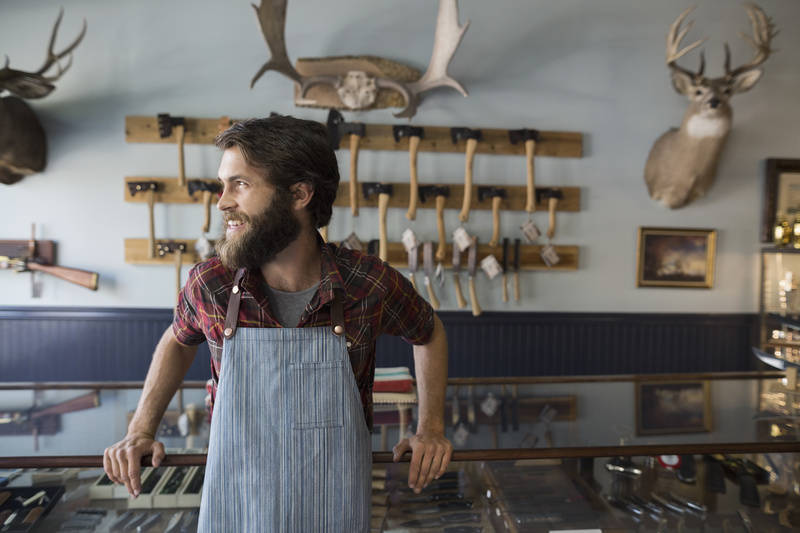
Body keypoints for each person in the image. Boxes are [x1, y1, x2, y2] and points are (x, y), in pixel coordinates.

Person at [103, 115, 452, 532]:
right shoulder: (211, 285)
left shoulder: (366, 284)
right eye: (223, 183)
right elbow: (178, 340)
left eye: (241, 184)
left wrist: (429, 427)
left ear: (299, 194)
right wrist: (141, 429)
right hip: (237, 507)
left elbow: (428, 332)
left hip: (334, 509)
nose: (222, 202)